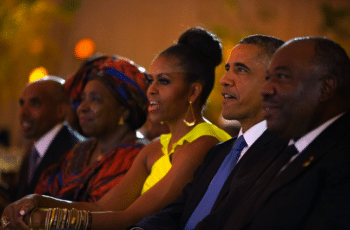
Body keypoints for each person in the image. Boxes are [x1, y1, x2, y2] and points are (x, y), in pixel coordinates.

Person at [1, 27, 231, 230]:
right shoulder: (153, 149)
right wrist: (36, 201)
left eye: (163, 81)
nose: (150, 90)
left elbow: (129, 218)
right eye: (151, 81)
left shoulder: (203, 143)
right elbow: (101, 206)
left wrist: (48, 220)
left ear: (193, 92)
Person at [130, 35, 286, 230]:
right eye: (228, 69)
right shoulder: (219, 152)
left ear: (273, 84)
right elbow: (176, 211)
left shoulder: (283, 155)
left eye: (241, 70)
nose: (224, 80)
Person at [221, 37, 350, 229]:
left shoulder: (342, 158)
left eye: (281, 77)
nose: (265, 90)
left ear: (325, 88)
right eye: (268, 78)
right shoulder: (279, 147)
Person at [33, 56, 148, 202]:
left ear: (124, 110)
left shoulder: (136, 157)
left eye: (95, 99)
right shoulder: (80, 152)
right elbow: (44, 192)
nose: (82, 108)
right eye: (82, 99)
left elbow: (105, 215)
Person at [16, 76, 85, 200]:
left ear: (61, 110)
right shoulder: (33, 148)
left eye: (34, 103)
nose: (23, 112)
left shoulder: (75, 153)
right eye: (22, 103)